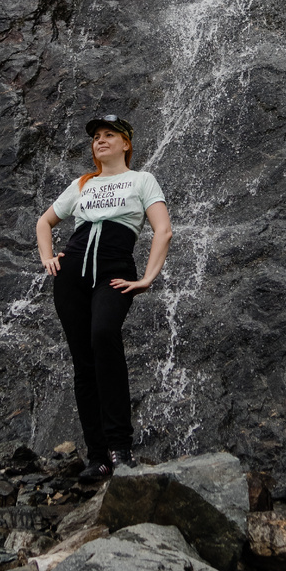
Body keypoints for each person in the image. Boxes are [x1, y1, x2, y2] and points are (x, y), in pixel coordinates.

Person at [36, 113, 172, 480]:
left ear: (126, 143)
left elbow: (163, 230)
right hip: (72, 273)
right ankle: (97, 457)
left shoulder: (142, 180)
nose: (100, 140)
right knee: (84, 362)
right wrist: (48, 258)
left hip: (114, 270)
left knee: (103, 336)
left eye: (109, 134)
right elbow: (44, 222)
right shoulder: (82, 183)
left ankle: (120, 448)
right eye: (96, 136)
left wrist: (147, 278)